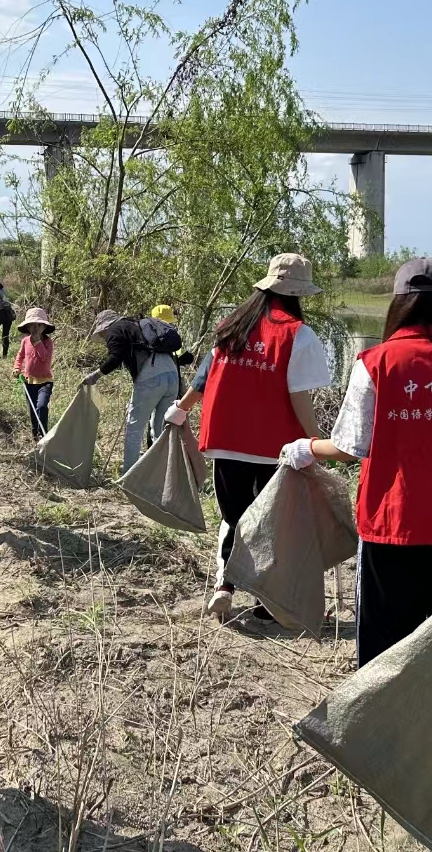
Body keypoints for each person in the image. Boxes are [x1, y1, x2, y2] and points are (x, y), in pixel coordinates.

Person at [284, 257, 432, 665]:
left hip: (392, 531)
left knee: (383, 653)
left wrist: (307, 447)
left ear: (398, 305)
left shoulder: (375, 364)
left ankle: (381, 710)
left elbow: (349, 447)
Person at [165, 254, 332, 619]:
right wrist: (316, 442)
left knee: (234, 516)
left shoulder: (232, 326)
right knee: (272, 521)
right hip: (276, 446)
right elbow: (299, 396)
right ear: (298, 294)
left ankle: (225, 585)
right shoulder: (298, 334)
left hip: (226, 439)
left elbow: (204, 376)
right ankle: (265, 602)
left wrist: (181, 408)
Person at [84, 309, 180, 474]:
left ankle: (129, 476)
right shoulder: (135, 325)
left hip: (150, 376)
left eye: (101, 334)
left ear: (104, 327)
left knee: (134, 428)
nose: (103, 338)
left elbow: (115, 358)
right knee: (160, 429)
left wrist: (95, 376)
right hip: (172, 375)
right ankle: (161, 475)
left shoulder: (115, 330)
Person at [14, 307, 55, 439]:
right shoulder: (25, 341)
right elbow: (20, 356)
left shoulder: (47, 342)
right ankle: (35, 433)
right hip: (28, 381)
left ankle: (43, 433)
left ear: (44, 327)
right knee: (32, 408)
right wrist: (17, 368)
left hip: (45, 382)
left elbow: (45, 358)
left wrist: (38, 342)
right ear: (27, 327)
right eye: (32, 325)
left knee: (41, 406)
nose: (35, 328)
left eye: (39, 325)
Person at [150, 304, 196, 398]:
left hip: (149, 386)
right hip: (169, 388)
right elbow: (188, 358)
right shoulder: (170, 339)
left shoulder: (146, 335)